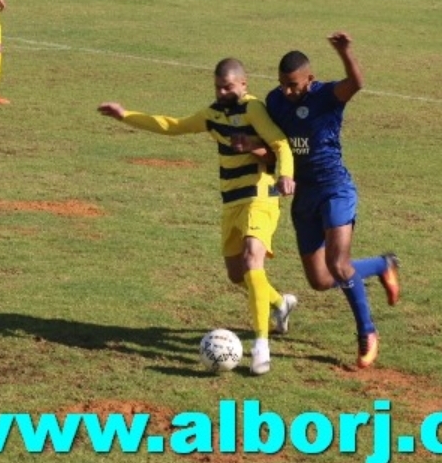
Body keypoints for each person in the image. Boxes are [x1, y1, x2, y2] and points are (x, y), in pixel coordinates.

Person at [97, 58, 297, 375]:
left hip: (260, 196)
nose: (222, 91)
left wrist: (286, 174)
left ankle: (261, 346)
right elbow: (173, 125)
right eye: (218, 86)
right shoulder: (212, 114)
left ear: (243, 84)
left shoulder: (253, 109)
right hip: (231, 201)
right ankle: (279, 303)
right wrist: (126, 116)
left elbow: (280, 144)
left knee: (251, 260)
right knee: (237, 275)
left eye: (228, 86)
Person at [259, 32, 401, 369]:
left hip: (335, 188)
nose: (287, 91)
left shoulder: (326, 95)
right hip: (303, 196)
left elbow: (357, 82)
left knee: (339, 265)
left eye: (294, 85)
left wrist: (346, 52)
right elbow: (271, 144)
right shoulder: (275, 101)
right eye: (282, 85)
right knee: (322, 280)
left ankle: (367, 332)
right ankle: (383, 265)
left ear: (310, 79)